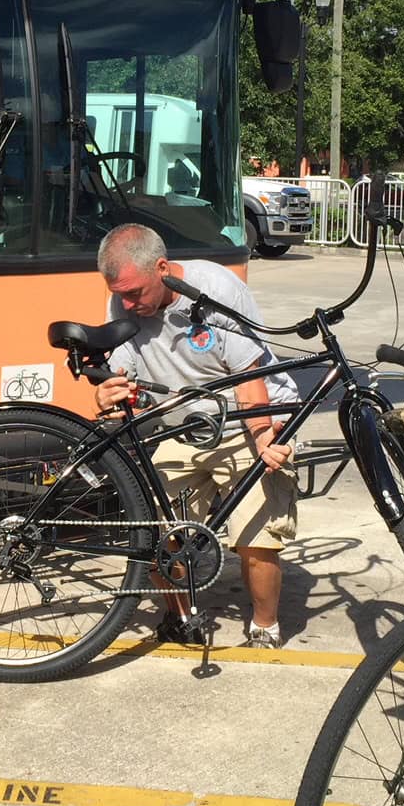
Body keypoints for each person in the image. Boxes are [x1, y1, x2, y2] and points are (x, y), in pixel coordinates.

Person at [93, 223, 298, 648]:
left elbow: (248, 374)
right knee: (150, 529)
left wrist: (262, 437)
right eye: (121, 294)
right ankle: (182, 616)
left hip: (245, 417)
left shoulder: (216, 288)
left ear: (163, 268)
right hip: (181, 422)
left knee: (257, 537)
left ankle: (265, 625)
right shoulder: (123, 300)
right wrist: (107, 390)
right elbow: (120, 366)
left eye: (135, 293)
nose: (128, 303)